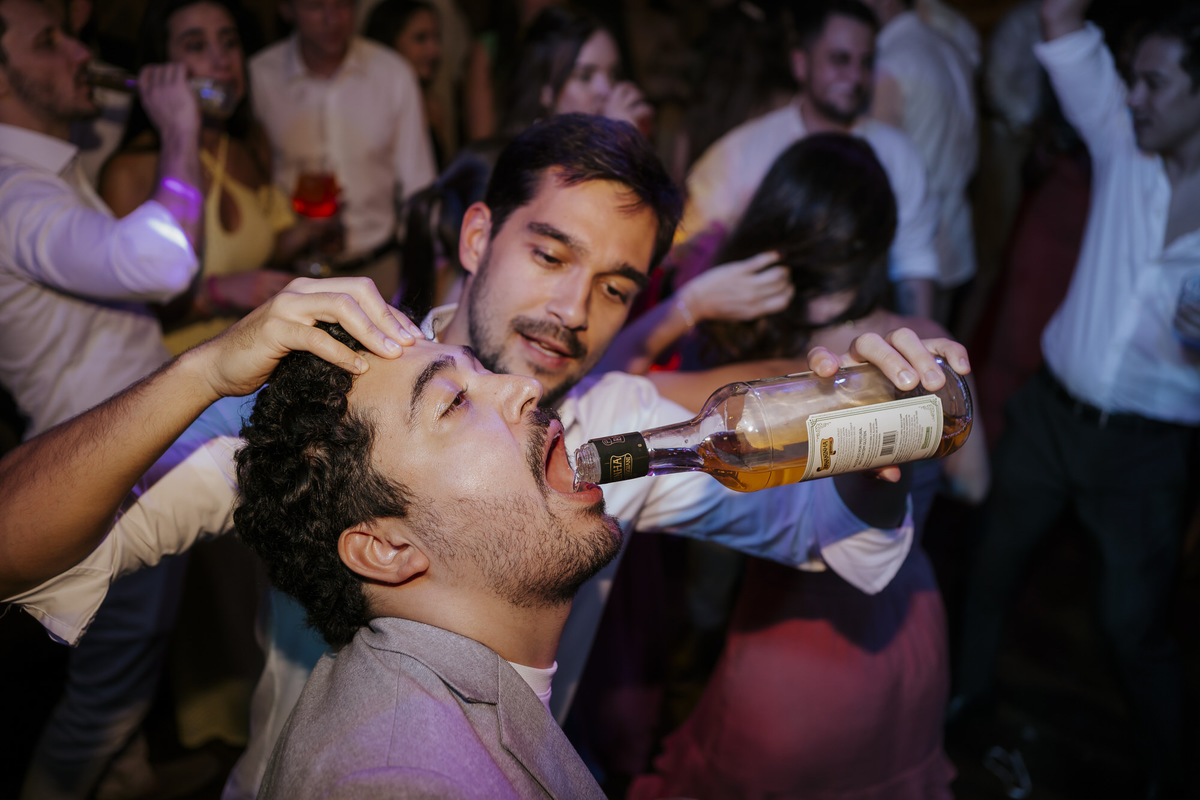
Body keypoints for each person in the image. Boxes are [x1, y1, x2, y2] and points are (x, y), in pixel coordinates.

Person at [5, 114, 970, 798]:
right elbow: (14, 545)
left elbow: (850, 544)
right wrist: (206, 368)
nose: (571, 313)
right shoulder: (335, 412)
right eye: (550, 256)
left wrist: (874, 470)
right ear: (478, 234)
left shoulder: (608, 432)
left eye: (616, 288)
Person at [622, 133, 986, 800]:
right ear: (878, 243)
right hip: (909, 631)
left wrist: (690, 305)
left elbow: (614, 387)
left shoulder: (789, 382)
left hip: (798, 653)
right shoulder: (924, 348)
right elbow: (976, 479)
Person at [951, 2, 1200, 796]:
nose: (1135, 98)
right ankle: (960, 706)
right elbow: (1060, 20)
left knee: (1134, 628)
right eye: (1132, 80)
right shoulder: (1125, 144)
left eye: (1155, 83)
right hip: (1050, 419)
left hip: (1147, 454)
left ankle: (1173, 775)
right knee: (990, 567)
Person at [236, 330, 613, 797]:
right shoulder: (400, 781)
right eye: (454, 401)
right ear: (388, 549)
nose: (525, 385)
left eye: (479, 371)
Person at [0, 0, 206, 793]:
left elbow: (103, 84)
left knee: (124, 677)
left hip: (125, 455)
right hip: (104, 472)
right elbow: (160, 264)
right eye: (48, 42)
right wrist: (181, 130)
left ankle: (132, 780)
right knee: (102, 702)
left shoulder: (48, 166)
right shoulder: (17, 193)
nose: (77, 51)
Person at [682, 0, 938, 318]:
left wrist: (921, 342)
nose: (855, 77)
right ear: (800, 64)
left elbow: (915, 266)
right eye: (839, 59)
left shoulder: (898, 155)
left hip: (859, 342)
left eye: (866, 62)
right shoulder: (742, 152)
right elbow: (690, 252)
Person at [100, 0, 326, 355]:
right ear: (162, 69)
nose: (222, 59)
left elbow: (256, 251)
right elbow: (124, 314)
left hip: (252, 365)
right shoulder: (131, 171)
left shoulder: (250, 144)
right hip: (171, 374)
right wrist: (218, 292)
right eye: (196, 46)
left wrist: (308, 234)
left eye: (229, 42)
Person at [249, 0, 436, 300]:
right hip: (292, 277)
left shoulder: (392, 74)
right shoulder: (260, 77)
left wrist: (421, 272)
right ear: (286, 9)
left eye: (343, 5)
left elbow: (419, 187)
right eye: (315, 7)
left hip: (379, 270)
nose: (331, 19)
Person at [863, 0, 978, 327]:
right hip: (957, 240)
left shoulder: (892, 62)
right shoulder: (948, 46)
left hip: (914, 250)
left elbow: (878, 171)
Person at [499, 5, 651, 136]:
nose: (605, 90)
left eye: (613, 75)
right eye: (585, 76)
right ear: (544, 91)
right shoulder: (532, 160)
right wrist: (619, 141)